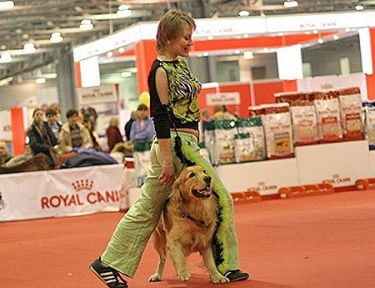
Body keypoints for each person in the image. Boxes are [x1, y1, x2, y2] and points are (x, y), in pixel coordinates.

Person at [90, 10, 249, 288]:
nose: (190, 43)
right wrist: (167, 160)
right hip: (175, 146)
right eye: (186, 37)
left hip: (184, 144)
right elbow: (160, 117)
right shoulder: (160, 70)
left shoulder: (180, 64)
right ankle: (226, 266)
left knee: (148, 209)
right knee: (221, 198)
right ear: (168, 37)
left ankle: (107, 263)